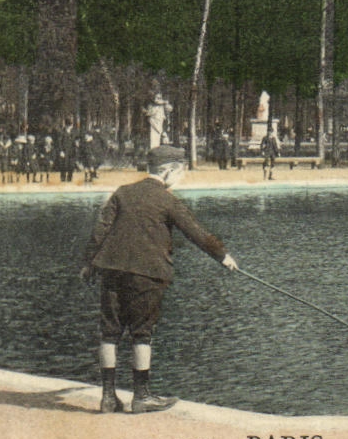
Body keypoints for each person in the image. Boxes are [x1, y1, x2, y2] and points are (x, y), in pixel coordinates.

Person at [81, 161, 238, 413]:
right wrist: (223, 256)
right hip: (148, 273)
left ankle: (108, 398)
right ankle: (141, 397)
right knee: (142, 333)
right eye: (180, 172)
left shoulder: (122, 192)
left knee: (109, 333)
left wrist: (88, 263)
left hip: (112, 269)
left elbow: (100, 231)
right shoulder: (167, 200)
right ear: (168, 170)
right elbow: (196, 232)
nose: (181, 178)